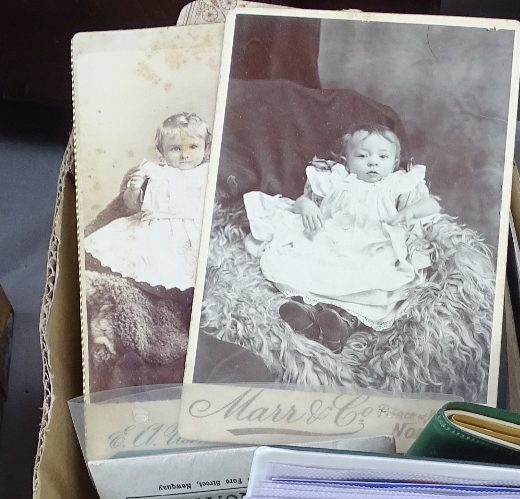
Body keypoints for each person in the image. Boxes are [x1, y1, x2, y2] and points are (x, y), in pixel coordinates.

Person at [243, 124, 441, 351]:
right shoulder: (337, 180)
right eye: (362, 155)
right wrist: (307, 206)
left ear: (395, 162)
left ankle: (341, 325)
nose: (373, 162)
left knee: (370, 282)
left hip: (373, 247)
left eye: (382, 156)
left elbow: (433, 204)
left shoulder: (396, 184)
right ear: (346, 160)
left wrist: (409, 212)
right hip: (330, 242)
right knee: (310, 269)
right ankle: (308, 315)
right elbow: (300, 201)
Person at [84, 112, 212, 293]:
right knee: (137, 261)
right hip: (152, 229)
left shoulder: (207, 173)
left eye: (193, 146)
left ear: (205, 149)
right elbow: (132, 206)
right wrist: (134, 189)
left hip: (189, 233)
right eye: (175, 148)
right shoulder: (155, 172)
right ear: (161, 152)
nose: (185, 155)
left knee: (186, 272)